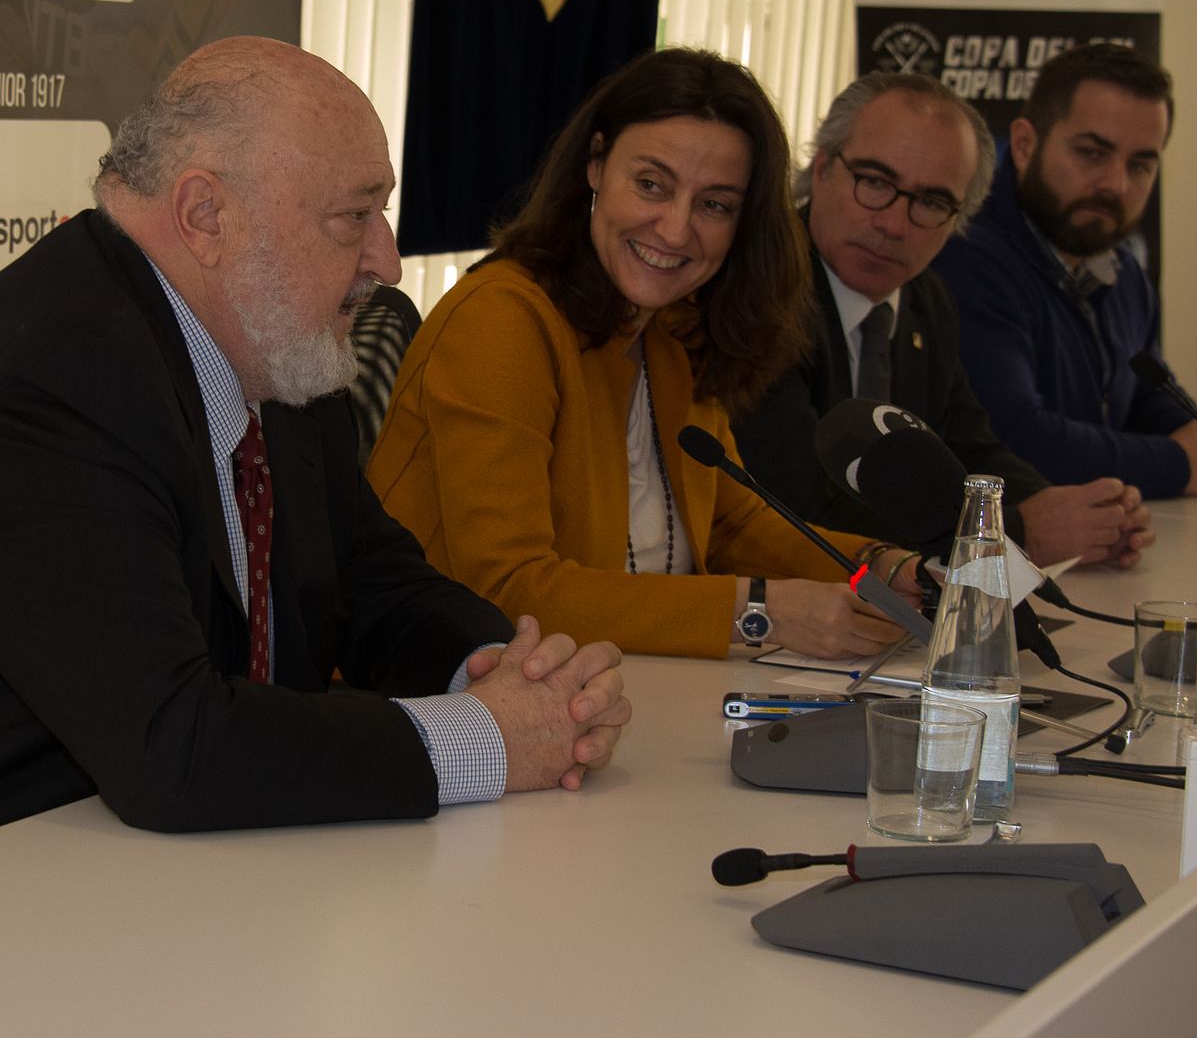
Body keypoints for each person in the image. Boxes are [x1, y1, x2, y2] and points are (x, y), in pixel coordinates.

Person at [0, 38, 631, 892]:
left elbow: (370, 582)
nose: (386, 255)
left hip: (76, 883)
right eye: (353, 215)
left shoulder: (269, 346)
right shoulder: (43, 380)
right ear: (206, 214)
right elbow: (173, 743)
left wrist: (504, 670)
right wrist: (488, 742)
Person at [367, 47, 918, 662]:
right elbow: (509, 589)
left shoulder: (675, 329)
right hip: (439, 703)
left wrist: (881, 567)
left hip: (617, 689)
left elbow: (730, 524)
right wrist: (764, 613)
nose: (676, 229)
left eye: (714, 205)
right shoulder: (500, 320)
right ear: (596, 165)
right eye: (652, 184)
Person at [733, 72, 1155, 568]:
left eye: (932, 202)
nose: (893, 225)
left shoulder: (925, 299)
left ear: (959, 219)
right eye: (874, 182)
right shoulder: (759, 283)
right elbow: (800, 500)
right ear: (822, 167)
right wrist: (1018, 531)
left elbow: (970, 450)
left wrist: (1082, 516)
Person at [931, 43, 1197, 499]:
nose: (1117, 185)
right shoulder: (965, 258)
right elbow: (1012, 438)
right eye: (1092, 153)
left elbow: (1142, 400)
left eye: (1141, 164)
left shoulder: (1124, 273)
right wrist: (1181, 463)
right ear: (1026, 145)